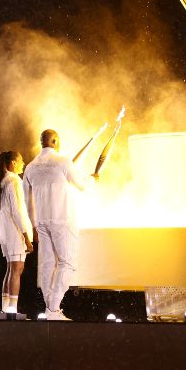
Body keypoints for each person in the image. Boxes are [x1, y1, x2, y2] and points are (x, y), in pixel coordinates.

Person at [24, 119, 123, 321]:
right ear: (55, 141)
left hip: (42, 222)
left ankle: (51, 308)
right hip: (63, 220)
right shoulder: (62, 161)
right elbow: (82, 186)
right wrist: (93, 179)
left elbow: (28, 201)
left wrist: (33, 226)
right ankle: (53, 309)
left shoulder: (31, 167)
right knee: (67, 263)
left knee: (47, 265)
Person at [0, 151, 34, 314]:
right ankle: (12, 310)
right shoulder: (14, 181)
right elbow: (18, 211)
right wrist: (27, 237)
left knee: (11, 269)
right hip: (15, 232)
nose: (23, 163)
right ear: (13, 163)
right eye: (21, 161)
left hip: (6, 233)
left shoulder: (2, 182)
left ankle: (6, 309)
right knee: (16, 270)